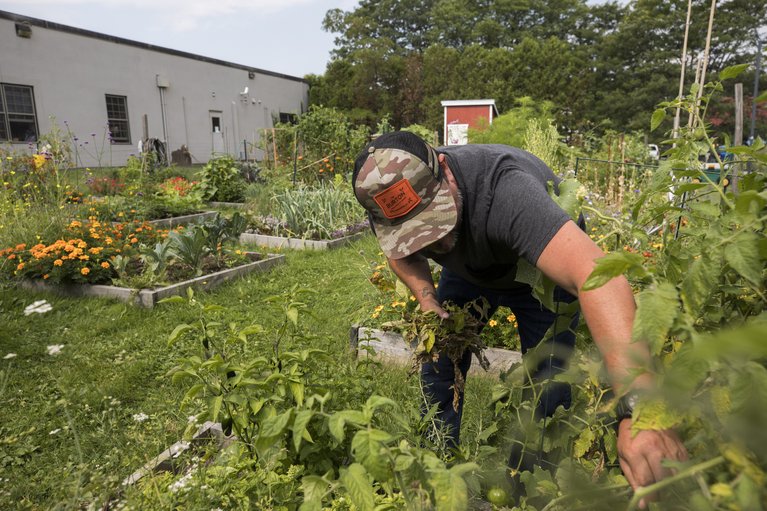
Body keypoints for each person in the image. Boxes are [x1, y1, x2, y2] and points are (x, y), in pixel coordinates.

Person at [352, 131, 688, 506]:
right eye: (414, 232)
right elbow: (402, 254)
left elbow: (600, 277)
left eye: (435, 219)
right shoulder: (389, 195)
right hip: (471, 274)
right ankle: (437, 468)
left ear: (444, 170)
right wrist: (428, 301)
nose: (435, 241)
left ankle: (529, 484)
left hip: (541, 274)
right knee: (440, 360)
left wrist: (640, 407)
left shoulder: (507, 193)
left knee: (548, 379)